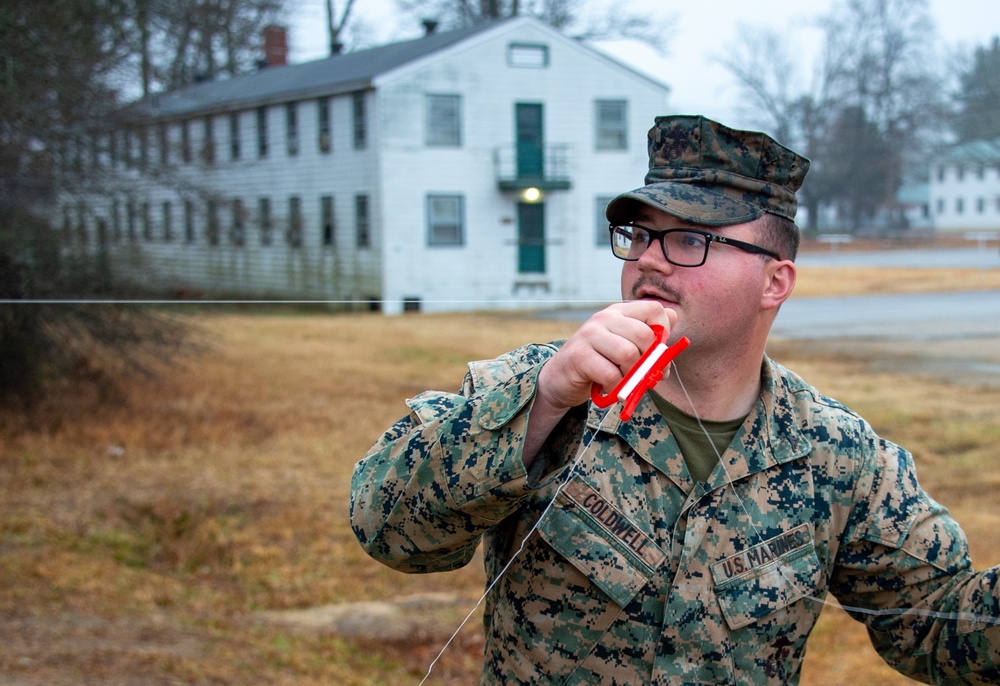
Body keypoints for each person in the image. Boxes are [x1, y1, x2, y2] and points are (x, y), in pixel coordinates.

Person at [350, 115, 1000, 684]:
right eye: (640, 234)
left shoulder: (837, 454)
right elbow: (388, 529)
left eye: (691, 239)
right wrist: (544, 401)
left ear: (775, 282)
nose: (649, 261)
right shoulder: (544, 389)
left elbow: (942, 630)